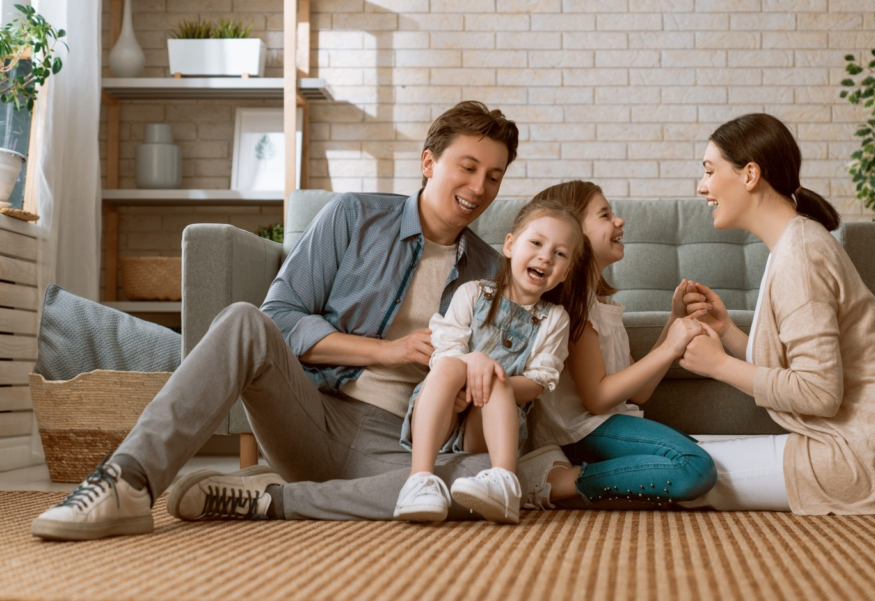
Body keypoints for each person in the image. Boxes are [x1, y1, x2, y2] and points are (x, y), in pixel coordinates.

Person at [30, 101, 572, 541]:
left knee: (488, 480)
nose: (479, 188)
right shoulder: (353, 216)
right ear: (430, 163)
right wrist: (384, 351)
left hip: (399, 448)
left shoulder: (492, 271)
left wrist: (463, 393)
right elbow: (281, 319)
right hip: (312, 413)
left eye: (495, 177)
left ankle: (268, 499)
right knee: (244, 321)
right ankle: (127, 481)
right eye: (468, 167)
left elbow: (498, 379)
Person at [675, 113, 875, 515]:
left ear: (750, 175)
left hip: (865, 457)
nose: (702, 186)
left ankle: (560, 483)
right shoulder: (794, 242)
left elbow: (819, 393)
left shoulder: (800, 255)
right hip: (857, 444)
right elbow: (800, 368)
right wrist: (726, 330)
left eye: (710, 171)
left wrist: (719, 366)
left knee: (682, 472)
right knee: (686, 457)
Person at [516, 181, 718, 510]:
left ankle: (577, 483)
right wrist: (670, 348)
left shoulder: (600, 305)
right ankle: (556, 483)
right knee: (693, 466)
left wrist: (674, 321)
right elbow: (598, 399)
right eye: (605, 214)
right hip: (580, 433)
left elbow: (638, 393)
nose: (619, 221)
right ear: (573, 232)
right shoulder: (574, 307)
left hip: (603, 425)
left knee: (695, 460)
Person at [394, 199, 592, 524]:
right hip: (442, 413)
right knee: (450, 365)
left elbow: (538, 383)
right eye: (537, 243)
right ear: (511, 245)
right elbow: (445, 351)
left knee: (498, 379)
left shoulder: (553, 319)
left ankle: (502, 483)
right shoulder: (472, 293)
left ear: (565, 272)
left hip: (488, 429)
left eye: (559, 254)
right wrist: (474, 366)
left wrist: (486, 381)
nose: (545, 256)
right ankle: (420, 481)